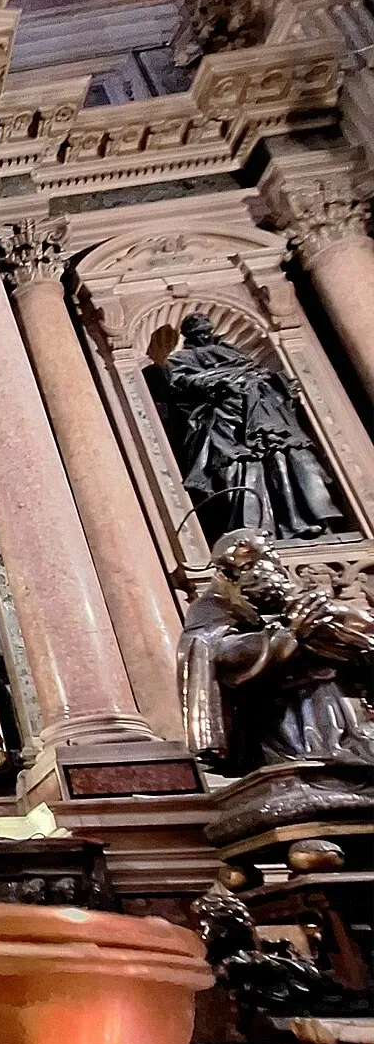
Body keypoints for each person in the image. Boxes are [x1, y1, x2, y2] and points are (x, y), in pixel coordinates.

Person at [178, 532, 374, 771]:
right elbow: (214, 652)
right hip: (282, 707)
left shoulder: (306, 596)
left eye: (265, 560)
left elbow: (364, 633)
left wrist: (334, 620)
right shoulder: (215, 604)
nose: (261, 571)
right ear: (231, 573)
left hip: (344, 694)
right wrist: (286, 635)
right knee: (317, 764)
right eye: (247, 567)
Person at [158, 314, 342, 542]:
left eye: (206, 331)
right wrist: (216, 383)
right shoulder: (181, 358)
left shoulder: (231, 350)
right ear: (189, 336)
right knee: (244, 468)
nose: (204, 336)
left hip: (264, 410)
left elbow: (256, 371)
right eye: (198, 333)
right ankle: (253, 529)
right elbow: (181, 383)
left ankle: (301, 521)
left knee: (287, 459)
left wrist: (279, 384)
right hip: (227, 418)